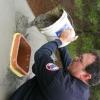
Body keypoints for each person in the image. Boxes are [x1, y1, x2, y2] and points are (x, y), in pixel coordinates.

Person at [10, 30, 100, 100]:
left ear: (86, 75)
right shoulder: (84, 92)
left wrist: (60, 41)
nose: (76, 58)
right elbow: (69, 65)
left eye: (80, 60)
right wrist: (64, 44)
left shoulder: (60, 84)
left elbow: (41, 55)